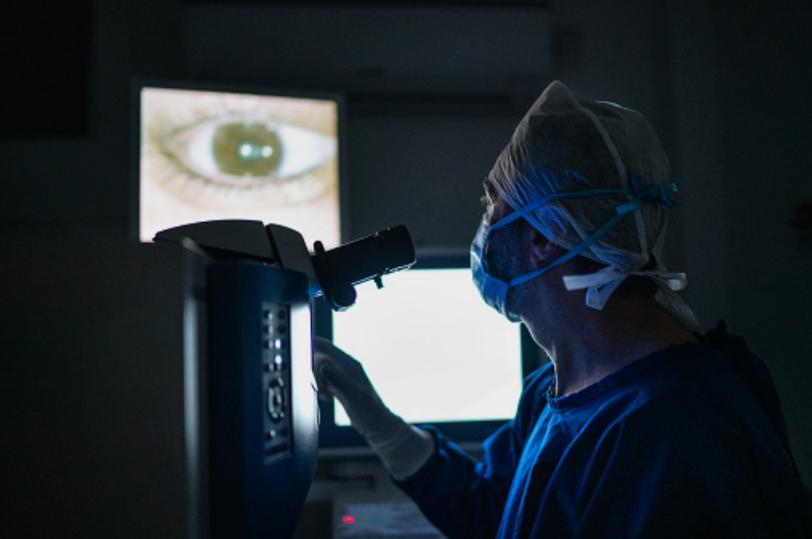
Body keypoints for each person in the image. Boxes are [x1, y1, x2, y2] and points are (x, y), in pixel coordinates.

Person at [313, 81, 811, 538]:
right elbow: (493, 512)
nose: (483, 230)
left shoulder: (679, 433)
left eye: (491, 207)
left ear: (542, 239)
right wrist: (377, 421)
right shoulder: (555, 387)